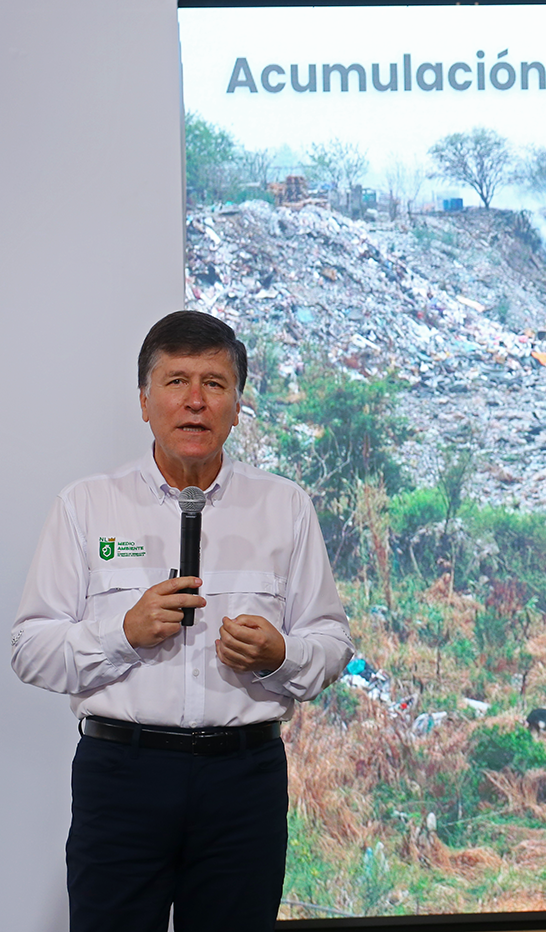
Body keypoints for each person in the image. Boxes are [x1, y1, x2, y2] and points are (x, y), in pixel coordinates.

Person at [10, 311, 354, 932]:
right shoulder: (86, 506)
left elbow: (332, 644)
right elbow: (30, 648)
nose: (195, 401)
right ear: (144, 401)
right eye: (175, 382)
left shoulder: (284, 507)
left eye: (214, 384)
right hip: (122, 779)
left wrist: (281, 656)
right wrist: (122, 633)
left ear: (237, 405)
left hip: (242, 783)